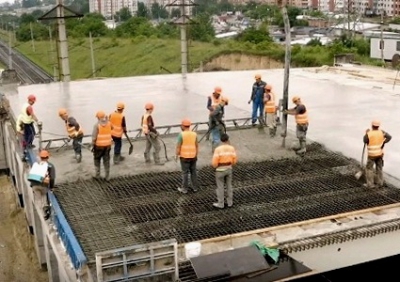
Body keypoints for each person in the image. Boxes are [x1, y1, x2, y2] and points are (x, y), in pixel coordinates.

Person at [363, 120, 392, 188]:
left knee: (369, 169)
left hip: (371, 155)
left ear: (372, 126)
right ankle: (380, 183)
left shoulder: (369, 133)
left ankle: (370, 184)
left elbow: (365, 141)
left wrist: (366, 133)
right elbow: (389, 137)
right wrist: (384, 142)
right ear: (378, 126)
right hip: (380, 154)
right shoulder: (382, 132)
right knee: (379, 168)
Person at [212, 133, 237, 209]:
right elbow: (235, 160)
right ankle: (230, 202)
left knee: (220, 187)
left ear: (221, 140)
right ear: (228, 139)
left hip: (220, 170)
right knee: (229, 186)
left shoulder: (218, 149)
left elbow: (214, 162)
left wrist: (215, 167)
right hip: (229, 169)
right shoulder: (232, 148)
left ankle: (221, 204)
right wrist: (230, 165)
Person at [29, 150, 56, 220]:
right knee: (44, 196)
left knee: (38, 199)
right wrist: (51, 187)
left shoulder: (36, 164)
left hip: (34, 185)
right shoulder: (50, 166)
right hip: (43, 186)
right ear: (48, 157)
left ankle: (43, 214)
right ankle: (46, 208)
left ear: (40, 157)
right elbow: (52, 178)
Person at [175, 119, 199, 194]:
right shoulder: (194, 134)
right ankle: (195, 187)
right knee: (193, 172)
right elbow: (197, 145)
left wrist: (177, 154)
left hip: (184, 157)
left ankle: (184, 189)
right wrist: (196, 154)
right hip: (193, 156)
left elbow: (178, 146)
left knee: (185, 173)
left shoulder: (181, 134)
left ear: (182, 126)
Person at [17, 94, 41, 161]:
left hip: (25, 122)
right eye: (33, 101)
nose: (34, 103)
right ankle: (28, 146)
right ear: (30, 101)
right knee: (32, 134)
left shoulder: (24, 105)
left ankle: (26, 149)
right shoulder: (29, 107)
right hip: (28, 123)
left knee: (27, 135)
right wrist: (37, 121)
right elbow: (32, 115)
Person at [92, 111, 113, 180]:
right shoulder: (109, 123)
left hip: (99, 146)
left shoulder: (96, 125)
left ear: (98, 117)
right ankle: (107, 176)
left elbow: (94, 137)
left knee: (97, 160)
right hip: (107, 146)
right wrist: (107, 119)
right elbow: (112, 128)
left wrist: (92, 145)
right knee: (106, 161)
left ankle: (97, 175)